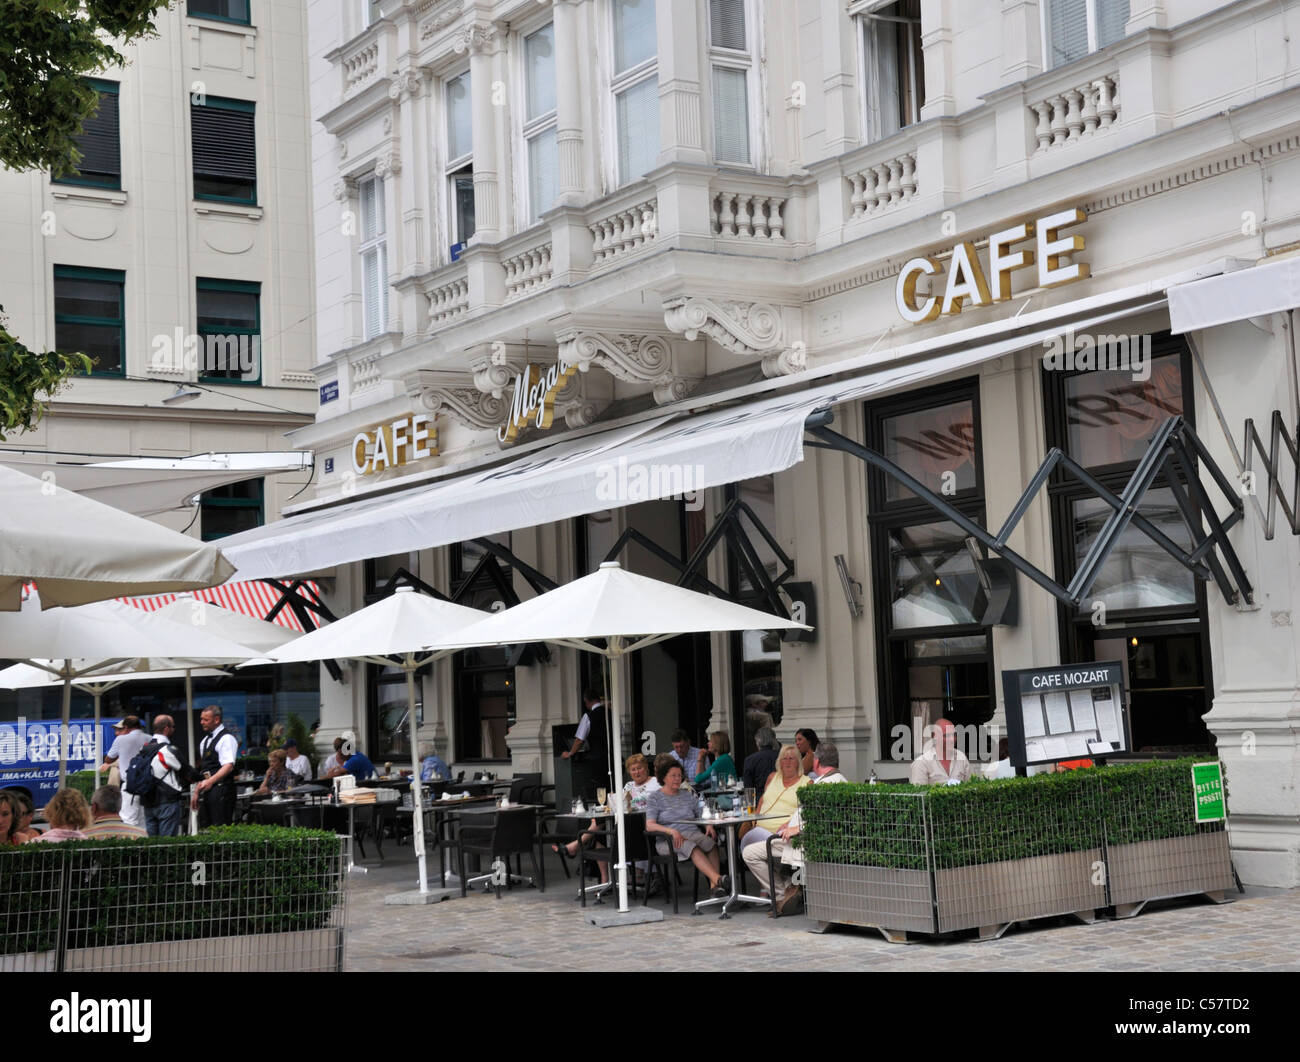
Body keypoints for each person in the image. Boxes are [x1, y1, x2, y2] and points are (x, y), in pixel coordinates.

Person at [744, 741, 848, 915]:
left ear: (815, 762)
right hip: (803, 841)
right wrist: (792, 824)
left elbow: (821, 819)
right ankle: (787, 891)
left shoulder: (820, 786)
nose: (788, 762)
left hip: (802, 844)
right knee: (757, 842)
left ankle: (780, 896)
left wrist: (797, 829)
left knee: (749, 853)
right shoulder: (841, 781)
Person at [644, 761, 728, 896]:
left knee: (710, 843)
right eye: (673, 776)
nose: (678, 779)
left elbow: (701, 813)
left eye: (679, 775)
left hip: (691, 833)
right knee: (691, 846)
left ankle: (715, 886)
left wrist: (708, 825)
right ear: (663, 777)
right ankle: (718, 879)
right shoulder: (655, 797)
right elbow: (649, 825)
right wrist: (671, 831)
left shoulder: (687, 794)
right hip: (668, 840)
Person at [740, 744, 809, 867]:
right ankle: (779, 883)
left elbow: (805, 811)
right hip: (759, 828)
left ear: (798, 762)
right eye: (784, 758)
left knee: (748, 844)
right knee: (746, 843)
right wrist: (753, 819)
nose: (787, 762)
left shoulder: (807, 782)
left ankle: (777, 883)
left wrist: (790, 824)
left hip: (780, 834)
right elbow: (762, 800)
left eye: (791, 759)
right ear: (779, 762)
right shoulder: (772, 777)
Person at [191, 705, 239, 827]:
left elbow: (228, 766)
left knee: (221, 828)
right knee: (206, 827)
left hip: (223, 790)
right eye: (201, 719)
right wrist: (197, 790)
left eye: (205, 720)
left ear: (217, 720)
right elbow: (205, 770)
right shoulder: (204, 741)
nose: (201, 722)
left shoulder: (226, 738)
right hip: (209, 791)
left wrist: (210, 781)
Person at [141, 715, 188, 837]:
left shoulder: (144, 748)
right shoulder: (168, 749)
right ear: (166, 729)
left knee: (152, 844)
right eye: (173, 727)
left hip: (148, 801)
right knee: (167, 844)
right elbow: (186, 771)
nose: (174, 729)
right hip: (167, 801)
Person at [100, 715, 150, 830]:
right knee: (143, 822)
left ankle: (129, 846)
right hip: (147, 786)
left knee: (128, 820)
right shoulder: (150, 738)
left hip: (130, 785)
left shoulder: (121, 740)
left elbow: (108, 759)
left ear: (126, 727)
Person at [561, 688, 609, 801]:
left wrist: (571, 753)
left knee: (599, 789)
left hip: (596, 760)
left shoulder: (588, 716)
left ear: (586, 701)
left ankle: (600, 816)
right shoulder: (612, 713)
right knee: (612, 786)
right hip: (612, 758)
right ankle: (613, 816)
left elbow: (579, 740)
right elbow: (620, 734)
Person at [909, 718, 972, 785]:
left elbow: (971, 787)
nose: (952, 739)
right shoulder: (921, 763)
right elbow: (919, 794)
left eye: (954, 735)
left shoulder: (961, 757)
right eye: (947, 735)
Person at [742, 726, 779, 792]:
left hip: (758, 799)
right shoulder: (781, 756)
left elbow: (748, 789)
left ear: (758, 742)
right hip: (779, 798)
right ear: (774, 740)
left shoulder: (750, 760)